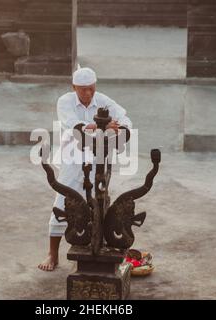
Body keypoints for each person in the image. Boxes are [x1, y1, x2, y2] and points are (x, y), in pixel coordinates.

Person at [38, 67, 132, 271]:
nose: (88, 94)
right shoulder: (65, 101)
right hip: (72, 156)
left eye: (91, 89)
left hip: (98, 156)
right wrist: (104, 127)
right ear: (74, 88)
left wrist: (121, 129)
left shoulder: (103, 100)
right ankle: (52, 254)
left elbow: (124, 117)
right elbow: (74, 125)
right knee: (65, 199)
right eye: (82, 90)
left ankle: (96, 244)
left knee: (98, 200)